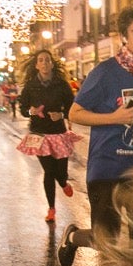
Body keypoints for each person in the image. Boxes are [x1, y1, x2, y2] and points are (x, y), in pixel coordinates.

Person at [59, 6, 133, 266]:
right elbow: (75, 113)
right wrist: (113, 118)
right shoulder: (105, 73)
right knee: (108, 240)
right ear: (124, 37)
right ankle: (73, 237)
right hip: (106, 166)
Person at [16, 49, 79, 222]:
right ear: (36, 65)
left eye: (47, 60)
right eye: (41, 60)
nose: (44, 63)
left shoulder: (61, 85)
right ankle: (51, 209)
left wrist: (61, 114)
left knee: (61, 173)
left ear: (52, 64)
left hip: (58, 133)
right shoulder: (30, 86)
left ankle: (64, 183)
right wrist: (32, 111)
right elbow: (22, 109)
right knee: (48, 172)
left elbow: (72, 108)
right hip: (39, 134)